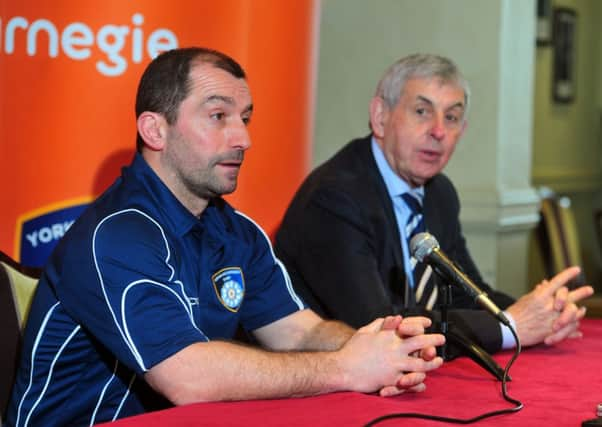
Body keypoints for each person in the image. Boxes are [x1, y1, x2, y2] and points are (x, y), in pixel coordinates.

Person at [6, 48, 445, 426]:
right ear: (155, 130)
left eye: (245, 118)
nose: (244, 138)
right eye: (218, 116)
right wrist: (345, 368)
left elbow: (296, 332)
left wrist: (380, 347)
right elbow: (188, 378)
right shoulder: (116, 234)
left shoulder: (236, 231)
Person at [274, 53, 594, 357]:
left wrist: (541, 313)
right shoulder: (334, 198)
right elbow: (378, 326)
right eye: (422, 112)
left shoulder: (439, 193)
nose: (439, 131)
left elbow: (467, 292)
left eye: (451, 117)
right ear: (380, 117)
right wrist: (510, 327)